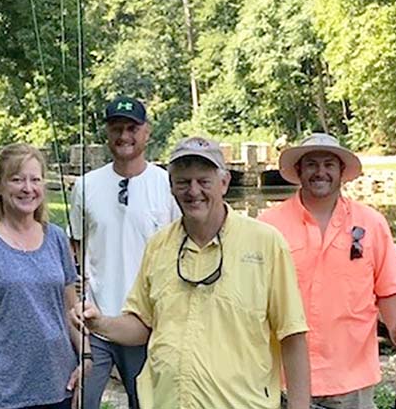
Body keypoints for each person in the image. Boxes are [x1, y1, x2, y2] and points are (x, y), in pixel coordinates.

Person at [72, 136, 312, 409]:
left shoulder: (266, 243)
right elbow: (142, 325)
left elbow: (292, 334)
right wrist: (99, 323)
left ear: (224, 183)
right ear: (171, 187)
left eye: (203, 181)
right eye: (183, 182)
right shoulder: (158, 245)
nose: (193, 191)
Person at [259, 133, 396, 409]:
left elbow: (389, 285)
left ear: (342, 171)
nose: (320, 172)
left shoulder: (372, 223)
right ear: (299, 170)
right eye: (312, 164)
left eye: (329, 164)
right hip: (283, 377)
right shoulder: (268, 225)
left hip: (351, 376)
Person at [0, 143, 90, 409]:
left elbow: (70, 308)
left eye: (35, 180)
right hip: (3, 389)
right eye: (17, 180)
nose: (28, 188)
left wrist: (86, 357)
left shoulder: (57, 238)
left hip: (59, 384)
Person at [70, 96, 181, 409]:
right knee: (80, 402)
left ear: (147, 132)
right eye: (116, 128)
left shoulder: (167, 184)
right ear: (107, 133)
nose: (124, 136)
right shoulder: (85, 185)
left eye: (132, 128)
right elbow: (75, 244)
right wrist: (76, 290)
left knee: (146, 403)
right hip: (94, 322)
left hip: (147, 324)